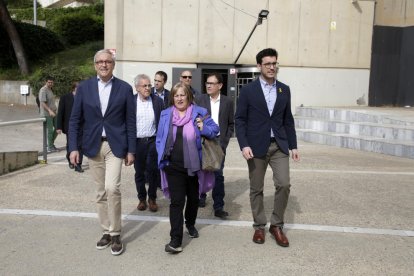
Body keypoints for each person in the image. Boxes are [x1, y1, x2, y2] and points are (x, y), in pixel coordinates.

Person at [68, 49, 136, 256]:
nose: (104, 64)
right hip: (93, 145)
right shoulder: (85, 88)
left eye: (108, 61)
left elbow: (130, 121)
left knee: (111, 188)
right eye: (100, 61)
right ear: (95, 64)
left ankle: (116, 233)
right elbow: (75, 120)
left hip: (116, 145)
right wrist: (73, 147)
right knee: (100, 192)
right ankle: (106, 231)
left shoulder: (124, 89)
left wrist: (131, 149)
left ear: (113, 64)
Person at [235, 48, 300, 248]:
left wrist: (293, 145)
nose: (272, 67)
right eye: (267, 64)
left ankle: (276, 225)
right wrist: (244, 144)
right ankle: (259, 226)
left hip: (279, 145)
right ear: (259, 66)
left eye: (274, 63)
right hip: (256, 147)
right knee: (256, 188)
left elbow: (287, 119)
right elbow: (240, 120)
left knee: (284, 184)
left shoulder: (284, 89)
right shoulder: (248, 91)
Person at [156, 82, 219, 254]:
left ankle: (190, 224)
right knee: (177, 202)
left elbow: (215, 130)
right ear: (172, 98)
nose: (179, 98)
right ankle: (175, 240)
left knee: (193, 199)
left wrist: (202, 127)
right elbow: (160, 137)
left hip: (195, 166)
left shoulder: (199, 112)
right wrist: (160, 153)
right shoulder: (166, 114)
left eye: (182, 95)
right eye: (176, 95)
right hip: (173, 165)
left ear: (188, 96)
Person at [196, 73, 234, 219]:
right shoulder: (200, 99)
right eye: (207, 83)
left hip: (219, 143)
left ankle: (218, 206)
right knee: (202, 171)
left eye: (212, 83)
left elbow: (231, 124)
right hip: (203, 141)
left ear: (220, 85)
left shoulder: (228, 102)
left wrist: (224, 141)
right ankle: (201, 196)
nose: (209, 85)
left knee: (218, 175)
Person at [133, 74, 164, 212]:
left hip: (153, 141)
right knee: (139, 172)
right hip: (137, 142)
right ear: (137, 87)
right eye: (144, 86)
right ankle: (141, 198)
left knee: (153, 171)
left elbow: (162, 123)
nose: (147, 88)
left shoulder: (157, 101)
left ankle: (152, 198)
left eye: (149, 85)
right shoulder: (131, 101)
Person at [56, 81, 84, 172]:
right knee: (70, 145)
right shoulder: (65, 98)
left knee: (80, 145)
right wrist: (58, 127)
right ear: (74, 88)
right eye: (78, 88)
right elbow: (60, 113)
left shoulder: (84, 98)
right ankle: (70, 159)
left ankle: (78, 164)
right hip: (69, 126)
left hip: (81, 126)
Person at [38, 76, 58, 153]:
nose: (50, 84)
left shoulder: (50, 90)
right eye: (49, 82)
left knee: (57, 128)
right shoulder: (43, 90)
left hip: (53, 112)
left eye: (51, 82)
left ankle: (50, 143)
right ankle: (50, 146)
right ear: (46, 82)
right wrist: (50, 111)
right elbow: (42, 102)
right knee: (50, 130)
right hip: (47, 113)